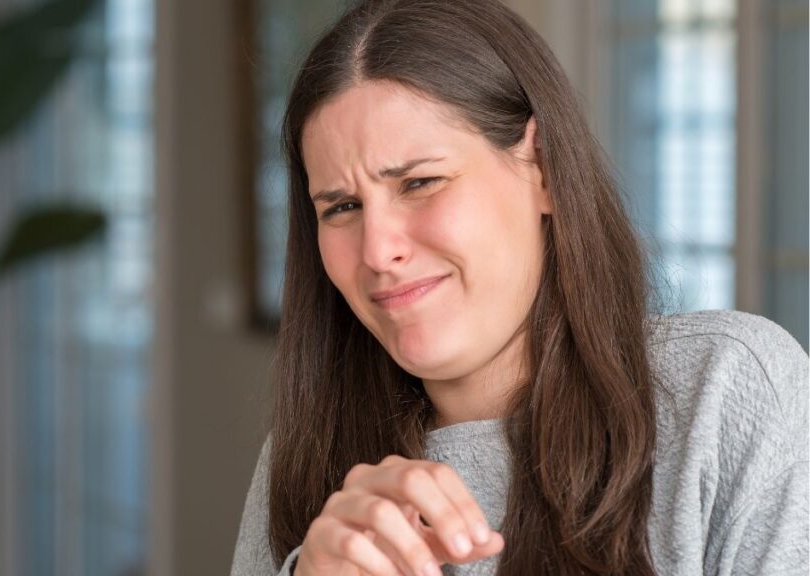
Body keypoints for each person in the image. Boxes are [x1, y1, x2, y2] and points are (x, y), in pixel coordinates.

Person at [230, 0, 809, 574]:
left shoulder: (725, 393)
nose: (379, 251)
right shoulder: (301, 461)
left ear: (543, 169)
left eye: (421, 182)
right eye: (343, 206)